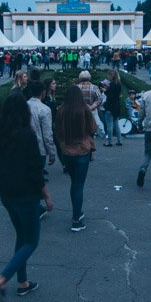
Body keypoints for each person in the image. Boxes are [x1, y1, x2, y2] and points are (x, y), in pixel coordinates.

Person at [0, 93, 54, 302]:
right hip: (27, 195)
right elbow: (35, 172)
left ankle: (22, 282)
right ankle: (2, 279)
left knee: (21, 237)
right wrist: (47, 198)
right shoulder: (27, 136)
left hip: (7, 195)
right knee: (31, 241)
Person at [56, 85, 98, 231]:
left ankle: (78, 212)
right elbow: (93, 128)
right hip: (82, 151)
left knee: (74, 183)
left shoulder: (61, 110)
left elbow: (58, 131)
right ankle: (76, 219)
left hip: (67, 152)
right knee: (78, 185)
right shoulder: (84, 110)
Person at [103, 69, 123, 146]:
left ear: (111, 76)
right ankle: (119, 140)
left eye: (108, 75)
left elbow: (110, 96)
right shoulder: (118, 84)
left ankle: (109, 141)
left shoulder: (111, 84)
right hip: (117, 106)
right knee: (116, 124)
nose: (107, 77)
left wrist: (105, 90)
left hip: (110, 107)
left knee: (109, 125)